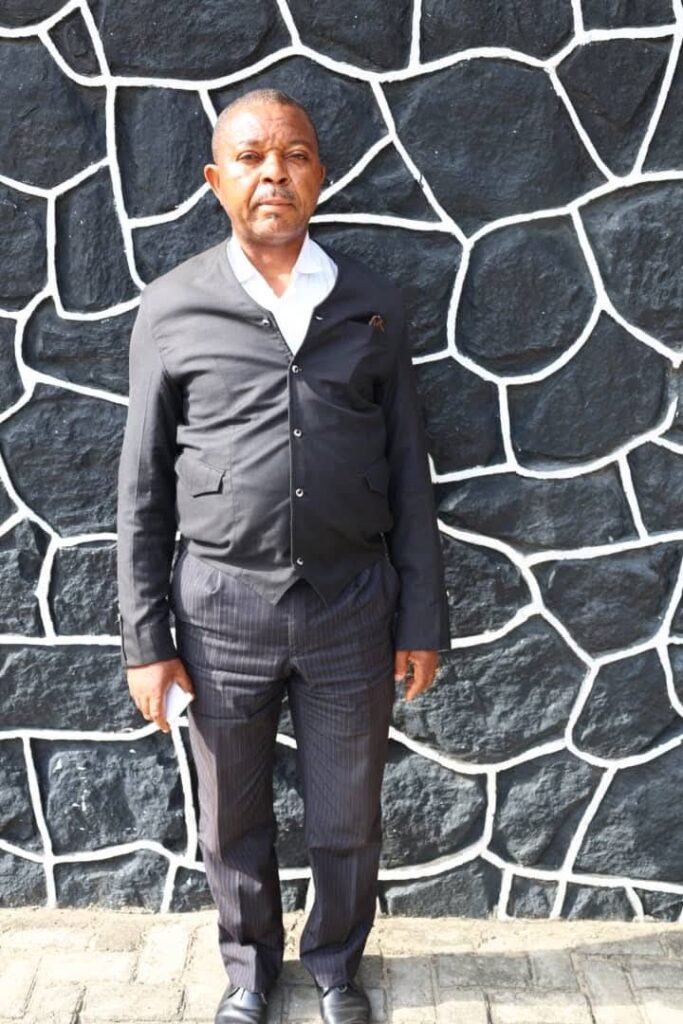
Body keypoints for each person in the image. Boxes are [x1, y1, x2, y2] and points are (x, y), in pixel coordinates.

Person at [116, 88, 450, 1024]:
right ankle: (249, 972)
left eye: (295, 156)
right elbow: (141, 488)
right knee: (231, 815)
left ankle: (338, 965)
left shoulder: (370, 304)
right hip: (220, 608)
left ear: (320, 176)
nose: (274, 174)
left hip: (352, 603)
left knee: (348, 813)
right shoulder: (172, 306)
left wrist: (420, 617)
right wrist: (146, 641)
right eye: (252, 158)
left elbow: (409, 471)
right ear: (215, 181)